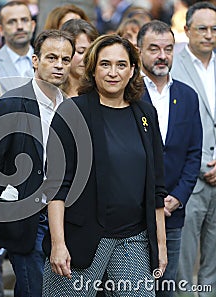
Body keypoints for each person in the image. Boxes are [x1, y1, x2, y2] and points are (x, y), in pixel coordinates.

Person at [42, 34, 168, 297]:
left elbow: (156, 185)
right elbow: (56, 185)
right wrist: (58, 244)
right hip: (82, 239)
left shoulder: (145, 114)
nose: (113, 72)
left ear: (133, 69)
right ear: (92, 68)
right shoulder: (72, 112)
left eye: (121, 65)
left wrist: (160, 245)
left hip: (133, 239)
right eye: (105, 64)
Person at [0, 29, 75, 297]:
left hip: (65, 217)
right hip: (25, 219)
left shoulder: (72, 108)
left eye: (65, 60)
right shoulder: (11, 103)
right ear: (35, 61)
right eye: (52, 57)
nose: (59, 65)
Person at [137, 20, 202, 297]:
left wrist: (178, 197)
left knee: (167, 287)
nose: (162, 55)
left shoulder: (187, 96)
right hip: (134, 215)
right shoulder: (128, 95)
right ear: (139, 50)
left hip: (173, 212)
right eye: (154, 48)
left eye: (168, 49)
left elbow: (193, 153)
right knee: (133, 288)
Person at [170, 2, 216, 295]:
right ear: (187, 30)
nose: (209, 35)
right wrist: (201, 165)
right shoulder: (172, 64)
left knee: (214, 265)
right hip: (189, 181)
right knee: (184, 268)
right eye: (202, 28)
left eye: (214, 29)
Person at [0, 1, 36, 92]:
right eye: (12, 22)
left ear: (33, 25)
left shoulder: (47, 60)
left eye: (24, 20)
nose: (20, 27)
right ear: (1, 30)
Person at [60, 18, 98, 97]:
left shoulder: (100, 93)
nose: (87, 58)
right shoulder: (51, 90)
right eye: (80, 52)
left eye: (91, 52)